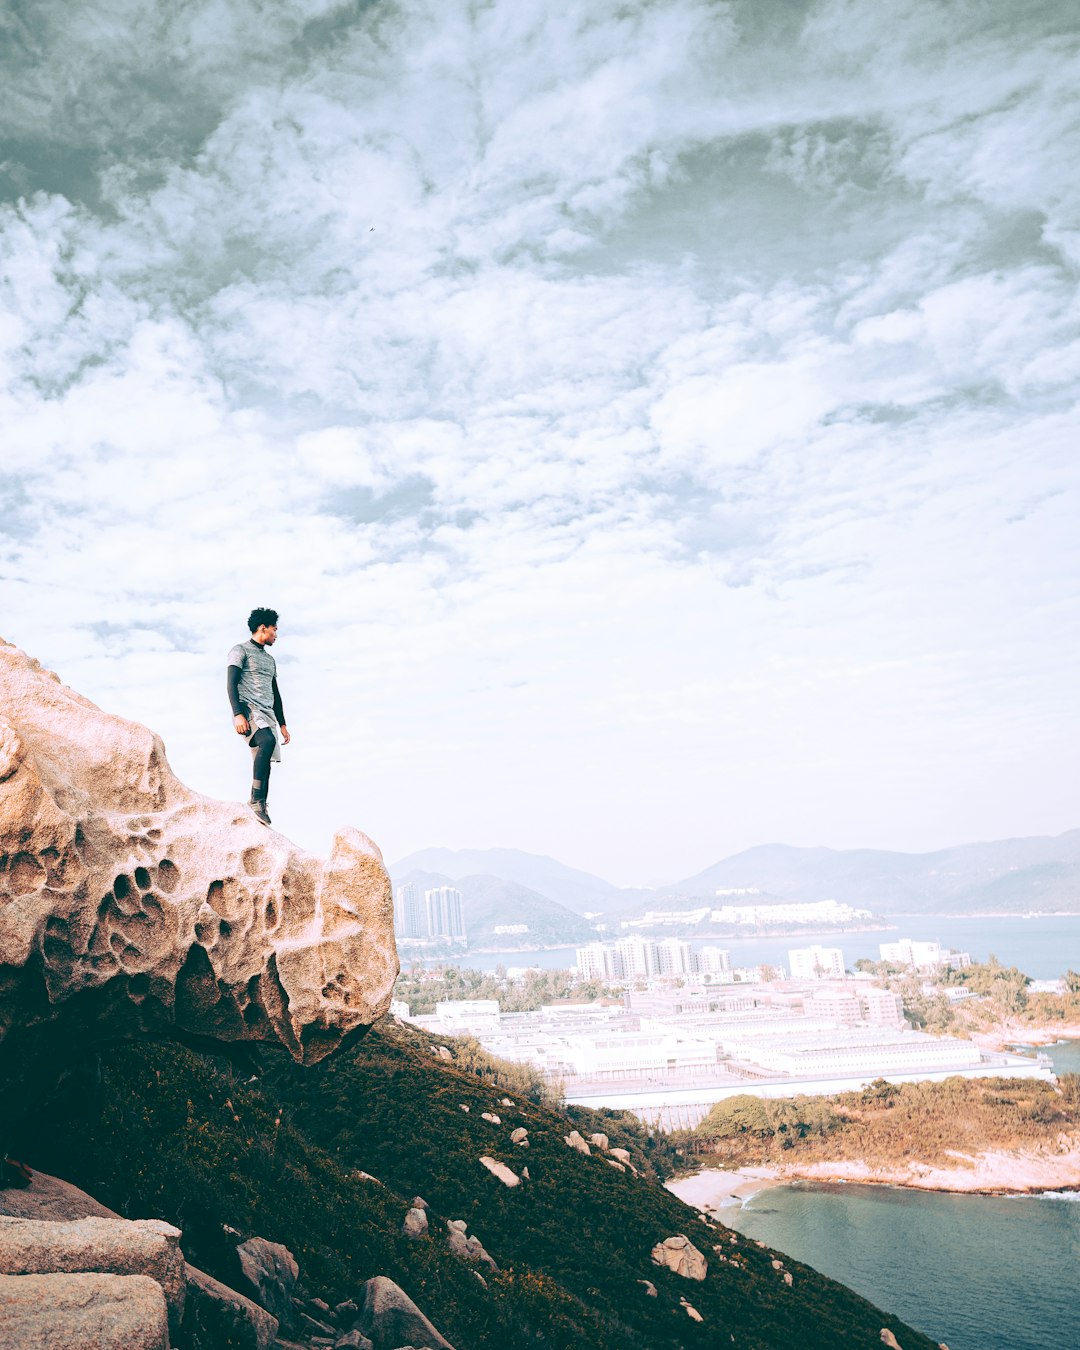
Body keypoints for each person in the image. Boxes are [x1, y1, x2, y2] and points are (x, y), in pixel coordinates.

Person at [226, 608, 291, 826]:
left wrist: (282, 724)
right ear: (263, 628)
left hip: (267, 714)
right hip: (248, 709)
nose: (276, 634)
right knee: (267, 741)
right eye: (274, 629)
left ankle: (260, 804)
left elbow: (276, 693)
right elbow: (231, 683)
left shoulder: (270, 660)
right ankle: (256, 801)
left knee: (266, 755)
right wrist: (237, 714)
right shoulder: (240, 650)